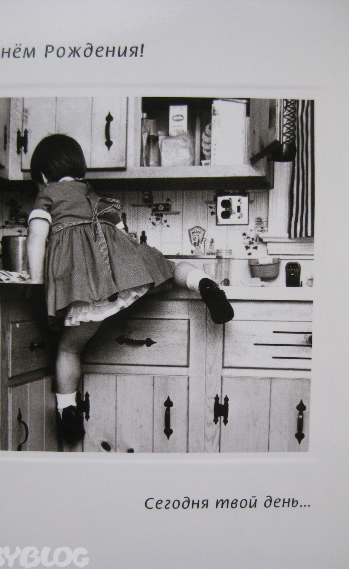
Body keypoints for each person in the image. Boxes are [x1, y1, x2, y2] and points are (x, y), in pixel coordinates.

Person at [26, 134, 234, 446]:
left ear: (42, 177)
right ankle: (203, 283)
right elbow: (123, 235)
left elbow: (35, 238)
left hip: (87, 287)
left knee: (69, 349)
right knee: (168, 267)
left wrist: (34, 282)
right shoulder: (93, 194)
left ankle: (67, 411)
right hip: (121, 270)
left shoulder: (48, 195)